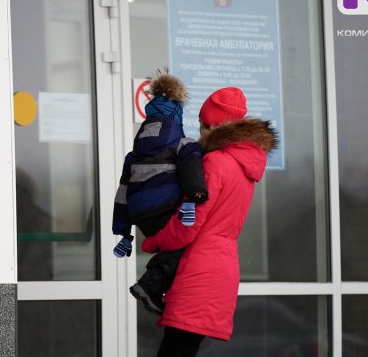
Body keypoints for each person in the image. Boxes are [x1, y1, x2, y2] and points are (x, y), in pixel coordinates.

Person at [141, 86, 277, 356]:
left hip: (200, 270)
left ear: (214, 127)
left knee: (176, 350)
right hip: (221, 267)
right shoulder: (243, 165)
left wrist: (153, 242)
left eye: (203, 125)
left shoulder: (215, 162)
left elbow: (189, 223)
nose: (200, 132)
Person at [112, 70, 208, 315]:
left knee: (171, 248)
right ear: (177, 119)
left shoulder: (133, 155)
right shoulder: (183, 144)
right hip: (165, 207)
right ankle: (150, 287)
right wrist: (195, 193)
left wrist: (123, 231)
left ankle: (158, 290)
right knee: (184, 247)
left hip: (142, 216)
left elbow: (123, 192)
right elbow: (190, 167)